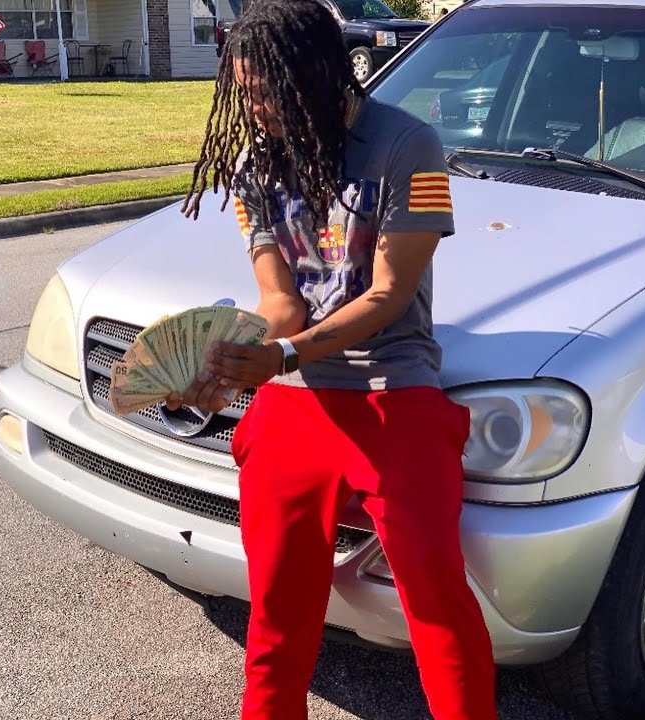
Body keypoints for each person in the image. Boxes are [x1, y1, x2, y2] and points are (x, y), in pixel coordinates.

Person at [173, 1, 498, 718]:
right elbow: (280, 302)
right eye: (243, 93)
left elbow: (388, 294)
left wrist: (285, 354)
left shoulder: (409, 145)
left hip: (393, 385)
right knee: (276, 606)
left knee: (434, 596)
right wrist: (228, 361)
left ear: (319, 75)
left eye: (267, 92)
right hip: (298, 397)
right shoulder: (256, 166)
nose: (254, 110)